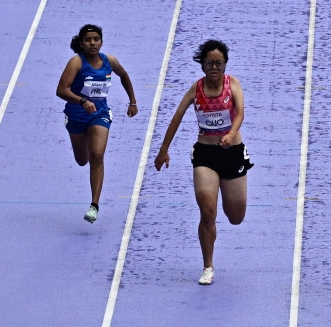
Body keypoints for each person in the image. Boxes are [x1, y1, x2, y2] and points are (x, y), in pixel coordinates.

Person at [154, 40, 251, 286]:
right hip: (205, 155)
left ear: (225, 64)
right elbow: (177, 117)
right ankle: (208, 265)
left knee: (236, 216)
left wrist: (231, 134)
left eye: (219, 63)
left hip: (232, 153)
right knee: (208, 211)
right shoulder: (196, 89)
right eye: (210, 63)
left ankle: (214, 249)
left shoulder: (233, 85)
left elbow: (239, 113)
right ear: (203, 65)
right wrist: (164, 150)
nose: (214, 67)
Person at [55, 24, 138, 223]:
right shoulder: (76, 63)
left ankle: (94, 205)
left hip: (99, 113)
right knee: (82, 160)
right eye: (88, 40)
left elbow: (124, 75)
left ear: (101, 41)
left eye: (96, 39)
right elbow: (61, 90)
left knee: (97, 155)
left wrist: (132, 101)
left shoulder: (110, 61)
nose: (92, 43)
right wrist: (82, 101)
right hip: (76, 115)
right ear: (82, 43)